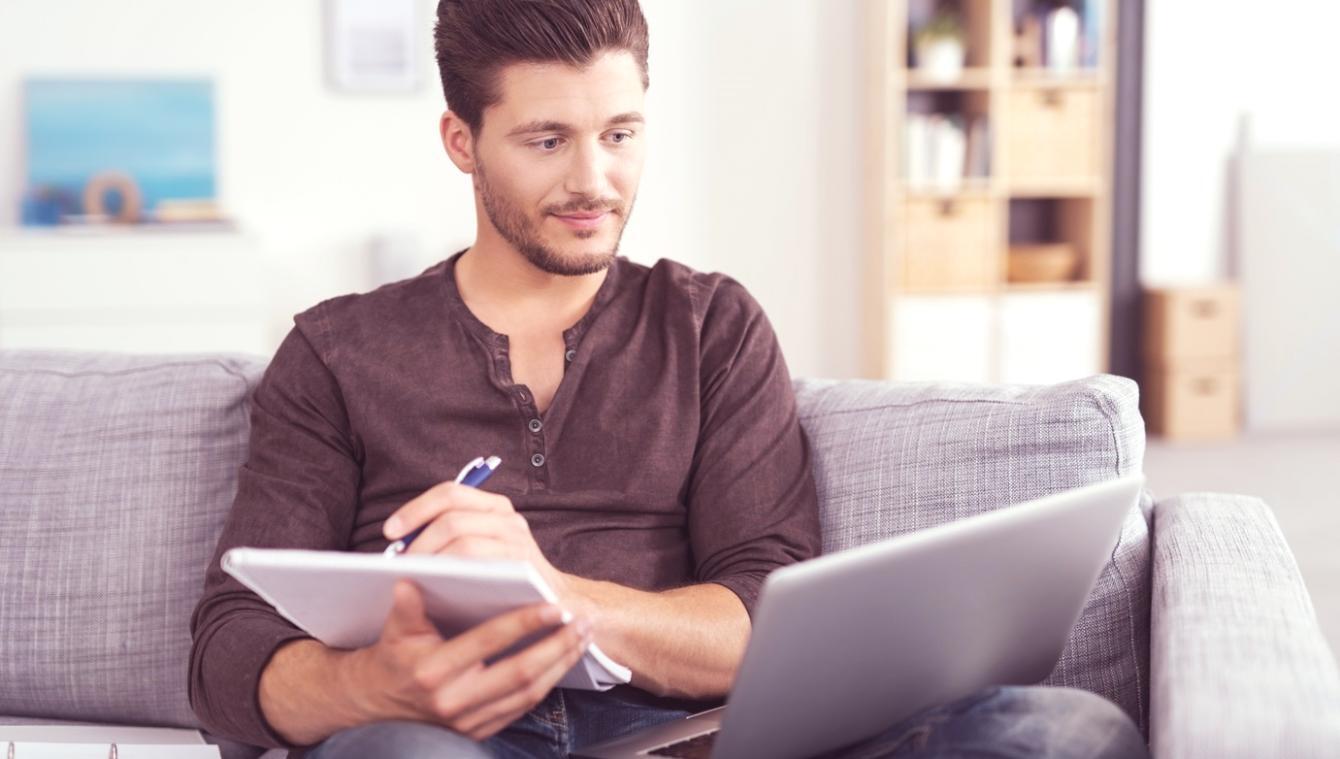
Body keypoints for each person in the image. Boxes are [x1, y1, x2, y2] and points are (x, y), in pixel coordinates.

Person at [188, 2, 1150, 758]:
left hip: (684, 737)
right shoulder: (336, 351)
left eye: (620, 133)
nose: (594, 181)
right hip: (439, 739)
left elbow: (765, 608)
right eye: (546, 139)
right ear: (460, 142)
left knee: (1068, 734)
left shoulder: (710, 327)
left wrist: (556, 595)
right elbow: (227, 645)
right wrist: (373, 687)